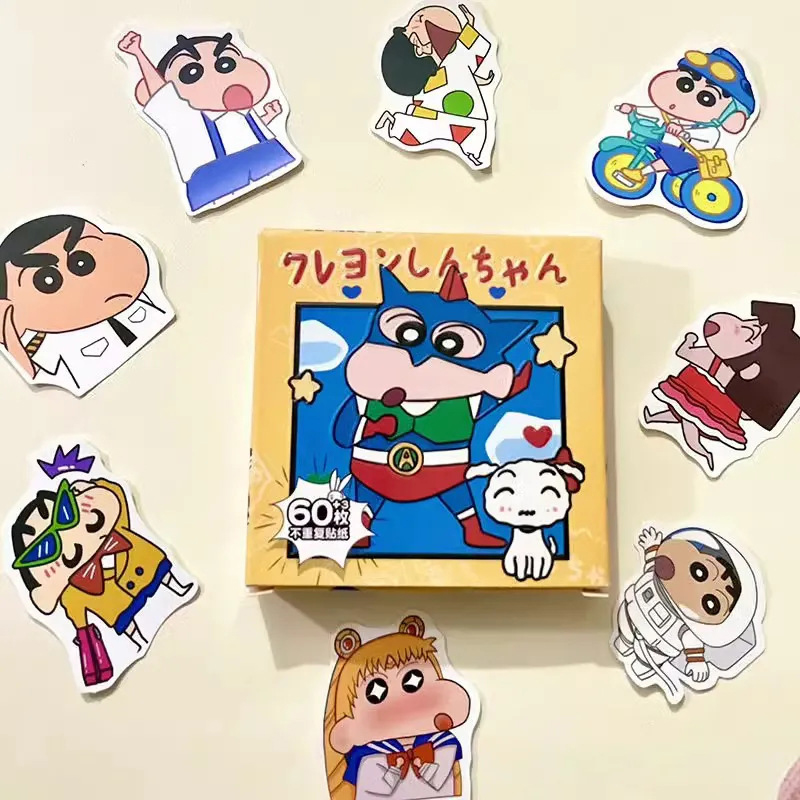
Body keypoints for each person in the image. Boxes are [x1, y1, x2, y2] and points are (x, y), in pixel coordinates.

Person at [11, 474, 194, 688]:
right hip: (119, 608)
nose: (68, 537)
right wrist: (82, 631)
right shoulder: (73, 593)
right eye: (46, 549)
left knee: (160, 570)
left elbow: (117, 497)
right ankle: (138, 641)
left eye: (65, 513)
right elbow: (74, 610)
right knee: (126, 622)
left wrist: (94, 486)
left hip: (147, 568)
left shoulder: (118, 530)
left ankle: (178, 587)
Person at [117, 30, 300, 213]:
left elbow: (241, 134)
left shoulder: (245, 112)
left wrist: (267, 116)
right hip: (217, 188)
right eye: (191, 73)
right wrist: (138, 53)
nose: (215, 78)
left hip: (277, 171)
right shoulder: (186, 119)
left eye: (225, 64)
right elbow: (162, 96)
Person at [0, 213, 172, 396]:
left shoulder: (147, 306)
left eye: (81, 262)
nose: (79, 285)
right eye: (48, 281)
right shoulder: (52, 356)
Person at [324, 616, 472, 799]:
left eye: (413, 681)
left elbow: (443, 779)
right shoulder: (364, 755)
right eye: (375, 693)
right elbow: (370, 785)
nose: (401, 704)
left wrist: (427, 768)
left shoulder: (443, 742)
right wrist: (394, 772)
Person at [613, 526, 761, 705]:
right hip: (629, 613)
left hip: (657, 647)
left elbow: (691, 640)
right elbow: (652, 563)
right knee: (624, 636)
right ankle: (624, 644)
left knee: (645, 663)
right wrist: (652, 547)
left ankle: (640, 666)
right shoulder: (654, 577)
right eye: (699, 571)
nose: (694, 590)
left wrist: (696, 660)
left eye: (711, 603)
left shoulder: (686, 628)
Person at [375, 4, 496, 168]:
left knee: (469, 133)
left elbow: (461, 68)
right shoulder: (444, 70)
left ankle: (392, 124)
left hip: (462, 120)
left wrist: (471, 28)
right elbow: (462, 62)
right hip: (458, 121)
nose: (414, 21)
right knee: (465, 132)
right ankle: (392, 124)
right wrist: (470, 29)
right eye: (418, 20)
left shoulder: (447, 68)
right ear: (420, 50)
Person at [614, 48, 756, 186]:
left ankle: (641, 173)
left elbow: (702, 142)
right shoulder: (668, 113)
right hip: (668, 146)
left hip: (691, 157)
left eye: (706, 99)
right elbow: (651, 111)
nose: (685, 99)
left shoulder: (710, 131)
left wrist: (683, 133)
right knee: (652, 141)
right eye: (684, 84)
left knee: (672, 157)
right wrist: (633, 109)